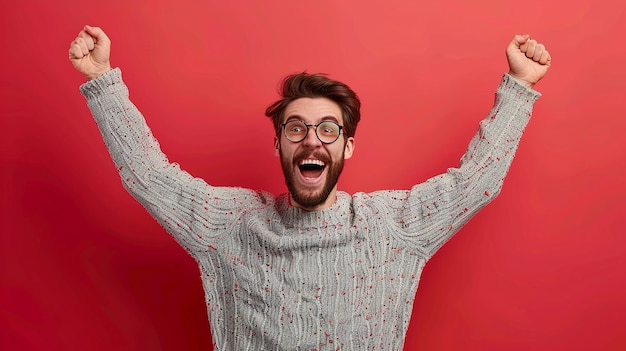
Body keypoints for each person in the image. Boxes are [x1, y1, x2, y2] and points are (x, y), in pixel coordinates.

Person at [69, 25, 551, 350]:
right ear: (278, 144)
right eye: (296, 129)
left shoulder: (389, 227)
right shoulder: (233, 224)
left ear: (348, 148)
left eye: (327, 129)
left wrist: (519, 86)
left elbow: (475, 182)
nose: (311, 140)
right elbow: (150, 176)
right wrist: (102, 81)